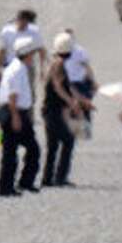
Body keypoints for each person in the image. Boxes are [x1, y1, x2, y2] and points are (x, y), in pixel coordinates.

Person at [36, 33, 87, 188]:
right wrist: (71, 102)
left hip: (51, 109)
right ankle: (59, 177)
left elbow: (67, 86)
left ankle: (48, 178)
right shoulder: (59, 64)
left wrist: (78, 100)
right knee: (67, 141)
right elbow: (59, 87)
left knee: (53, 145)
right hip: (53, 110)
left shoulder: (57, 63)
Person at [0, 35, 41, 196]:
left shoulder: (17, 67)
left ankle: (21, 183)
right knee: (16, 152)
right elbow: (13, 95)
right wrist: (15, 117)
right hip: (15, 113)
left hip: (18, 113)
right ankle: (9, 186)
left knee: (22, 150)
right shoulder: (17, 69)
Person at [0, 10, 40, 82]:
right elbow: (1, 51)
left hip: (27, 68)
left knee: (28, 91)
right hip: (10, 67)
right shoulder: (7, 32)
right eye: (23, 21)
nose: (25, 25)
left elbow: (39, 49)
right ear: (19, 20)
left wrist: (42, 68)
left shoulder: (33, 31)